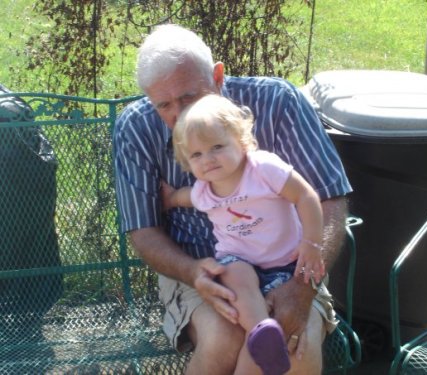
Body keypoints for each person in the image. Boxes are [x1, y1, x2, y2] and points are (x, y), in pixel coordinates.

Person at [113, 23, 352, 375]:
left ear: (218, 76)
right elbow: (143, 231)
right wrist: (193, 272)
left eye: (189, 98)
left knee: (293, 350)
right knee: (224, 341)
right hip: (204, 266)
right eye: (164, 104)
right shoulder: (136, 127)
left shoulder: (278, 102)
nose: (179, 115)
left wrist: (304, 287)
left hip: (292, 265)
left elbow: (329, 199)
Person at [161, 94, 328, 374]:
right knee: (232, 273)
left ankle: (264, 343)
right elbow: (185, 197)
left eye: (216, 147)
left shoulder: (263, 169)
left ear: (241, 141)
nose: (208, 159)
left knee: (257, 357)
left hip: (284, 265)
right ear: (188, 163)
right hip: (238, 263)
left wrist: (311, 243)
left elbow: (306, 196)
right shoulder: (204, 190)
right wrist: (169, 198)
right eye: (197, 155)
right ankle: (262, 330)